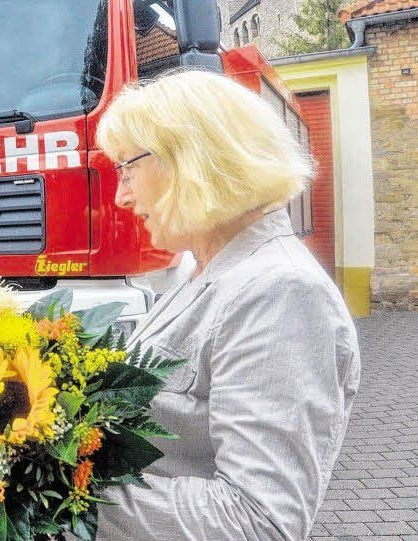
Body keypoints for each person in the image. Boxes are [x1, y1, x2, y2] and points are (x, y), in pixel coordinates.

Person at [94, 70, 360, 540]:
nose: (121, 195)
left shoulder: (280, 293)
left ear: (190, 158)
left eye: (128, 169)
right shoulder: (207, 271)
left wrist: (66, 484)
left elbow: (256, 522)